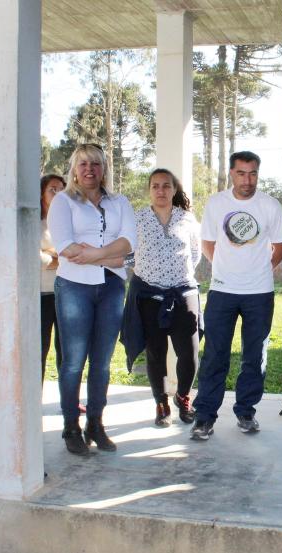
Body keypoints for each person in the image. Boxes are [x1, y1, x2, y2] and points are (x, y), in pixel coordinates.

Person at [190, 151, 282, 441]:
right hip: (222, 291)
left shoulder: (269, 205)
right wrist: (225, 268)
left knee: (254, 355)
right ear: (231, 173)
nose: (248, 180)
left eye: (253, 173)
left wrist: (261, 269)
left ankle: (246, 411)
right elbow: (207, 243)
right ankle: (204, 417)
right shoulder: (217, 203)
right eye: (242, 173)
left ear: (258, 173)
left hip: (259, 293)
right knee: (215, 354)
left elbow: (281, 246)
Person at [47, 144, 135, 455]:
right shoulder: (63, 201)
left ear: (104, 169)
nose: (89, 170)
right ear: (74, 169)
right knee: (73, 362)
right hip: (74, 286)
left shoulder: (120, 202)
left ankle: (95, 423)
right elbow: (65, 246)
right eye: (83, 164)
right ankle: (71, 425)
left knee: (102, 362)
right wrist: (111, 258)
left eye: (96, 164)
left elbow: (129, 244)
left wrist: (98, 256)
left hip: (111, 287)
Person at [120, 169, 201, 427]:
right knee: (156, 352)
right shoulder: (138, 218)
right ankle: (161, 402)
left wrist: (176, 274)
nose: (161, 191)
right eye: (155, 186)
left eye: (166, 186)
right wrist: (146, 270)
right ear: (149, 190)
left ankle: (183, 396)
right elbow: (128, 253)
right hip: (149, 296)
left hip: (182, 292)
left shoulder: (187, 219)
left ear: (174, 189)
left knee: (189, 353)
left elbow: (196, 253)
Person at [39, 174, 66, 383]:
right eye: (52, 189)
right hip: (41, 295)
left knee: (66, 351)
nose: (57, 194)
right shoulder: (34, 223)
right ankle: (33, 398)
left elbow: (74, 256)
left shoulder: (69, 223)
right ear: (42, 193)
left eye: (61, 189)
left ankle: (69, 400)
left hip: (66, 293)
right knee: (39, 348)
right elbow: (34, 259)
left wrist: (49, 252)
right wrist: (56, 256)